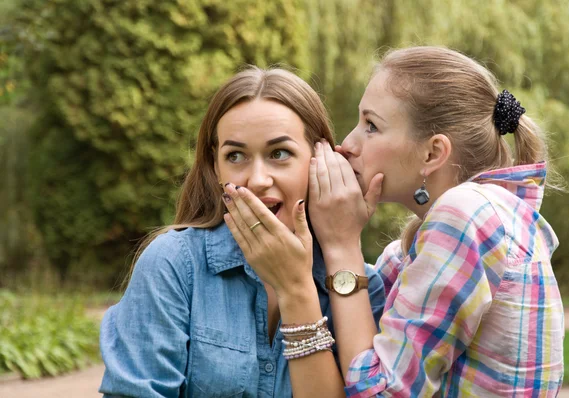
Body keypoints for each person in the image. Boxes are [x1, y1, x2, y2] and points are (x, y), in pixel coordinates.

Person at [222, 47, 564, 397]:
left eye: (371, 126)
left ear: (432, 153)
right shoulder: (414, 252)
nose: (347, 144)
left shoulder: (466, 215)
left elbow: (379, 391)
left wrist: (342, 246)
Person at [98, 66, 386, 398]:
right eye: (235, 156)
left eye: (279, 154)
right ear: (215, 168)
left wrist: (296, 290)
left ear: (319, 160)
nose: (257, 179)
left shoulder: (359, 290)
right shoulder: (173, 265)